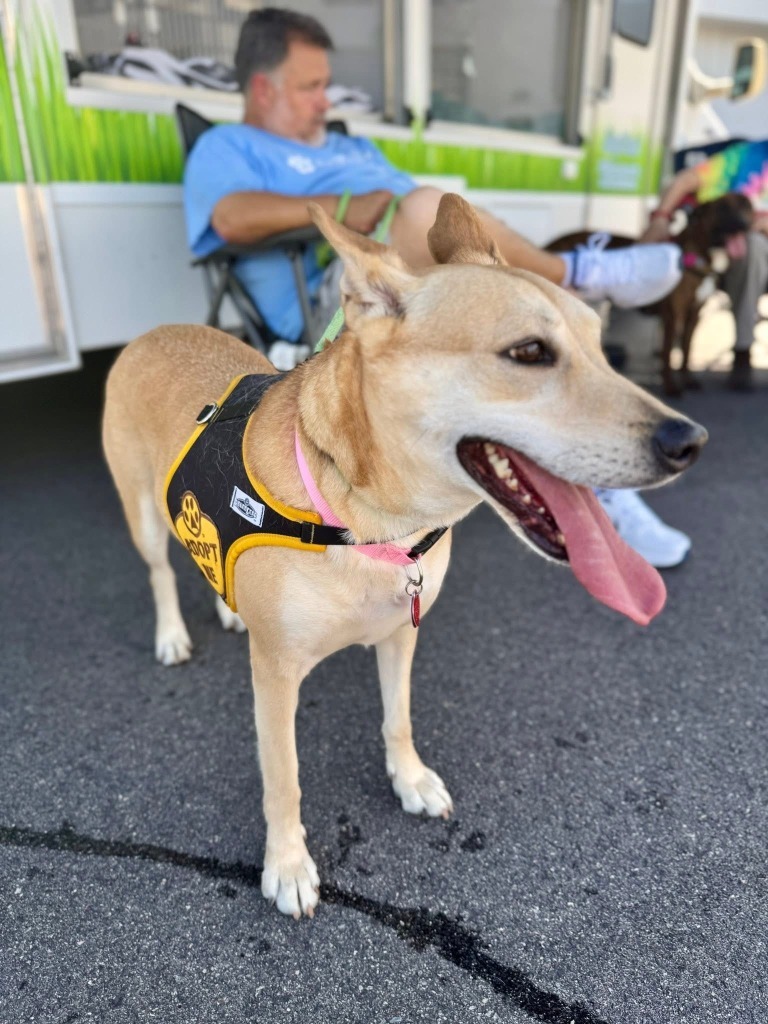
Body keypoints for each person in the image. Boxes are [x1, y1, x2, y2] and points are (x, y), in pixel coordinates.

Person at [183, 7, 682, 370]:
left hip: (412, 273)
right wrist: (344, 207)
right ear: (264, 89)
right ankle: (573, 273)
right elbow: (230, 217)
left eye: (326, 85)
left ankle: (600, 487)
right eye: (310, 87)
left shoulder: (346, 147)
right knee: (430, 209)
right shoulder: (229, 145)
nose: (325, 101)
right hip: (341, 297)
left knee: (456, 226)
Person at [642, 138, 768, 391]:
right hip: (729, 257)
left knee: (752, 242)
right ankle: (739, 353)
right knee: (750, 244)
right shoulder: (748, 157)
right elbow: (685, 180)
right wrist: (661, 217)